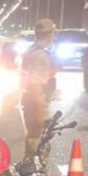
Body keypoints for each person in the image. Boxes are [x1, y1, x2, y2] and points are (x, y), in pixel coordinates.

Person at [18, 18, 60, 157]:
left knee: (33, 137)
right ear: (49, 35)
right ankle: (32, 172)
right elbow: (35, 84)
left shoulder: (32, 51)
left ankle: (29, 168)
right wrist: (41, 111)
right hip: (35, 102)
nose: (53, 37)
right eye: (53, 34)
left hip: (30, 100)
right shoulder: (40, 55)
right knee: (37, 141)